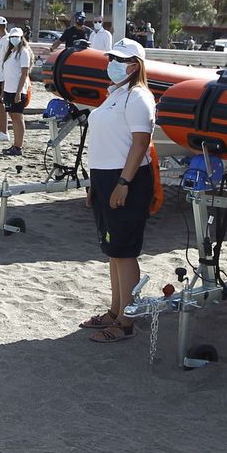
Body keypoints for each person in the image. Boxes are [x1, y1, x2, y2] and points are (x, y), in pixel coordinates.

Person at [77, 38, 157, 343]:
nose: (113, 63)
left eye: (120, 60)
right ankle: (115, 311)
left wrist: (123, 183)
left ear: (135, 65)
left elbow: (140, 143)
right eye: (111, 58)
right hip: (105, 177)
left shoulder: (138, 97)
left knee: (124, 251)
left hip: (126, 178)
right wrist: (95, 185)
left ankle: (126, 322)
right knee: (113, 250)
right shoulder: (116, 94)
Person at [0, 25, 34, 157]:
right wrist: (3, 89)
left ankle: (18, 146)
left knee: (18, 117)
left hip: (18, 90)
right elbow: (7, 73)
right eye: (12, 37)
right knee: (13, 117)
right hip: (9, 89)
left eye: (16, 37)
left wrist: (19, 92)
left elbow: (24, 73)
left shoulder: (24, 52)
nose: (14, 39)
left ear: (21, 37)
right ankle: (15, 144)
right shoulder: (11, 52)